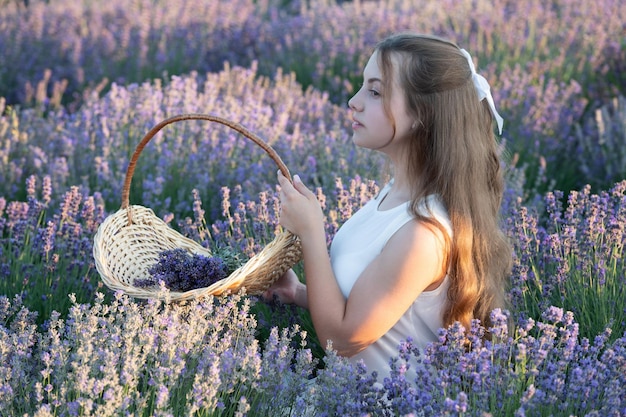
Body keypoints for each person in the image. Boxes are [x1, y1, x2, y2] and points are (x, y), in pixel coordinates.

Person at [266, 32, 512, 380]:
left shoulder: (423, 234)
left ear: (421, 115)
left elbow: (343, 339)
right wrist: (298, 293)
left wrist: (311, 234)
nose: (354, 101)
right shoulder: (394, 195)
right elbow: (376, 305)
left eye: (376, 91)